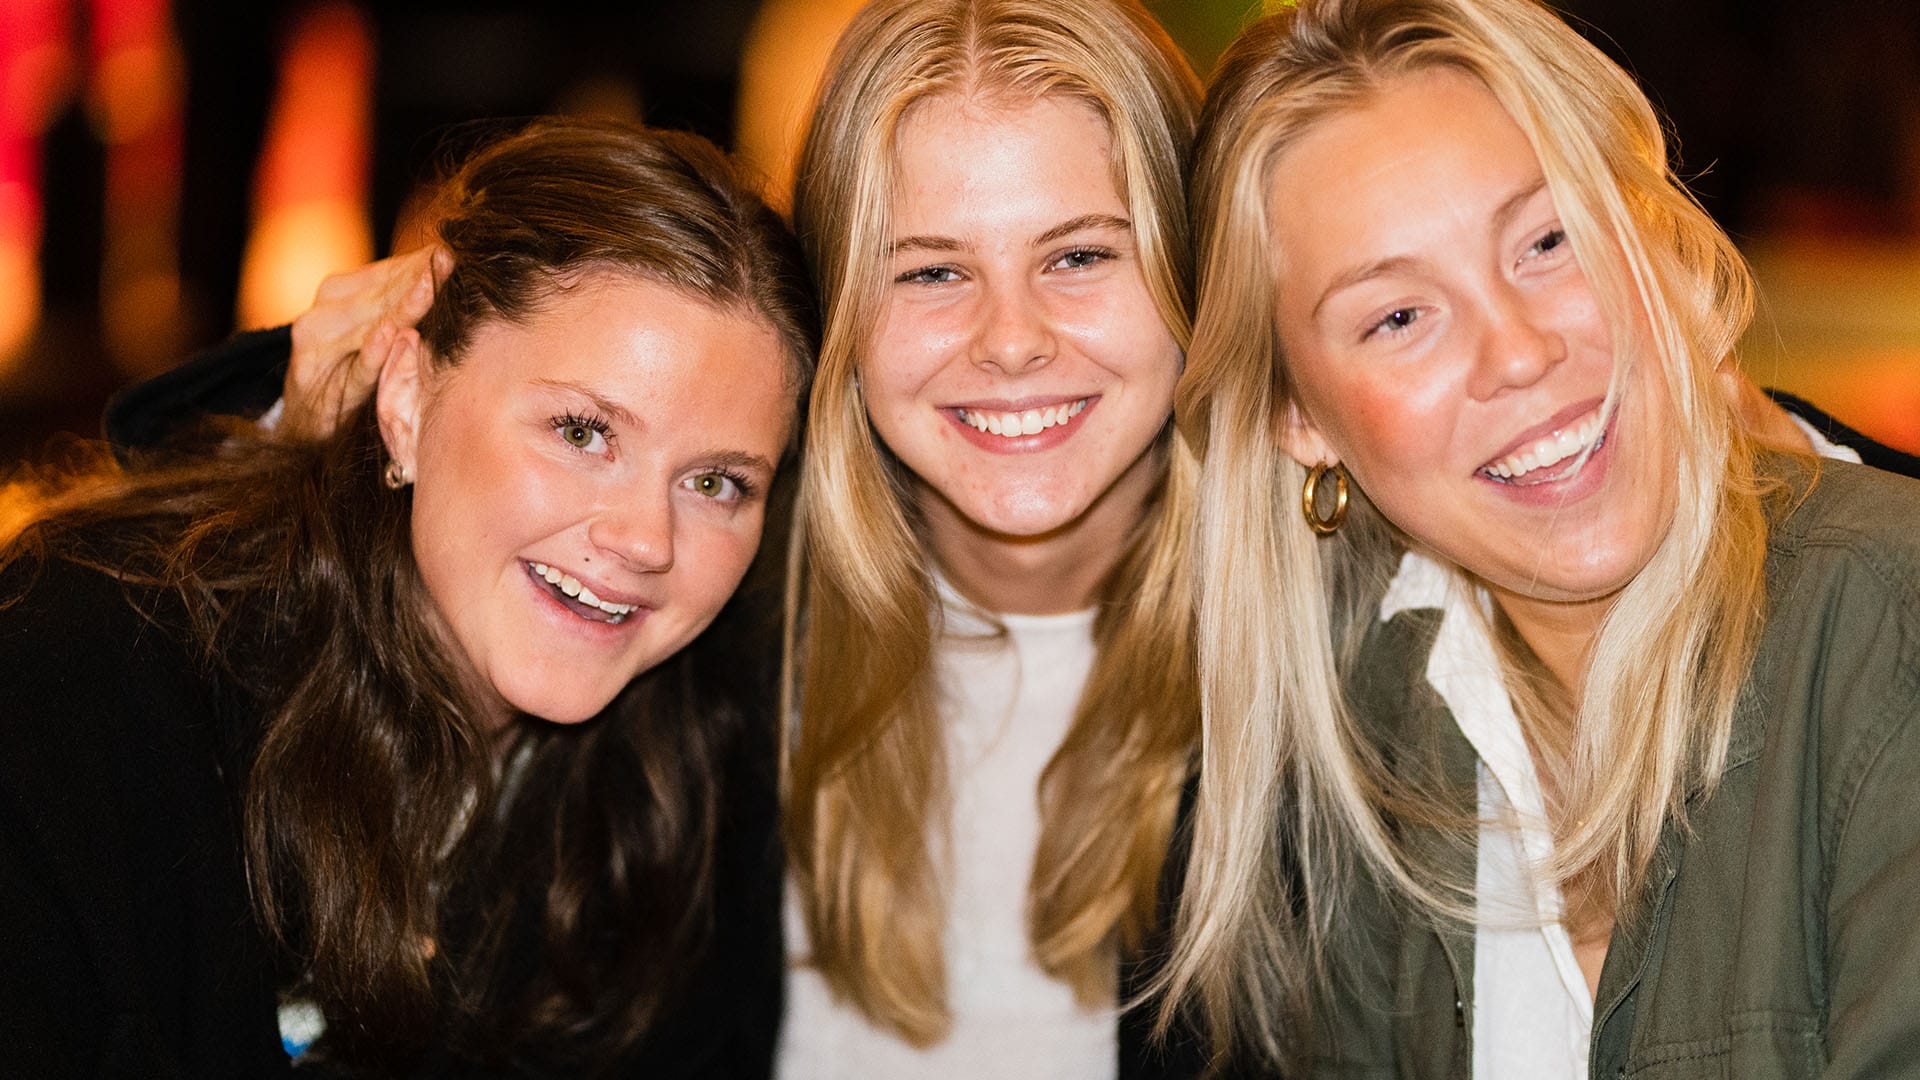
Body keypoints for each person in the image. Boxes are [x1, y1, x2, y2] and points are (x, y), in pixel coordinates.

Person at [1160, 0, 1920, 1077]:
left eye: (1547, 241)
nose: (1517, 354)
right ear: (1298, 419)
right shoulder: (1368, 738)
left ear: (1647, 234)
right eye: (1399, 317)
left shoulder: (1887, 623)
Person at [0, 117, 816, 1077]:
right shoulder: (84, 677)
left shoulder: (706, 784)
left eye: (717, 482)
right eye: (582, 431)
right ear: (406, 399)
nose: (645, 540)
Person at [778, 1, 1206, 1074]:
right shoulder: (716, 644)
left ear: (1195, 275)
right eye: (931, 272)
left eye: (1079, 256)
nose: (1011, 341)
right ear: (836, 317)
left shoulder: (1339, 679)